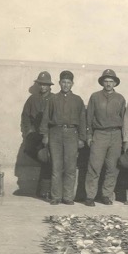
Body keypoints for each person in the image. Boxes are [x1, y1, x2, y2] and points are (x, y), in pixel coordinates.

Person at [40, 70, 86, 205]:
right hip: (55, 133)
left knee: (70, 168)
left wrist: (81, 138)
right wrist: (45, 135)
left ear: (72, 84)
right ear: (59, 83)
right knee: (56, 167)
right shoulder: (52, 99)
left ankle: (68, 197)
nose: (66, 85)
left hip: (72, 134)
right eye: (63, 82)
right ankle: (56, 196)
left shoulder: (78, 100)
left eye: (68, 82)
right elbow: (46, 118)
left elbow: (82, 120)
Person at [84, 69, 126, 206]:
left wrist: (123, 139)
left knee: (112, 167)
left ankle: (106, 195)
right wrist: (89, 135)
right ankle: (90, 196)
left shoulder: (120, 98)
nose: (108, 84)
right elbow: (89, 118)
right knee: (94, 166)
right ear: (102, 82)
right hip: (99, 134)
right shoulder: (95, 97)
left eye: (111, 81)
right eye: (106, 81)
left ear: (115, 83)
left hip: (115, 135)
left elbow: (124, 120)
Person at [21, 71, 54, 199]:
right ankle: (43, 190)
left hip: (49, 135)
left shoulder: (54, 98)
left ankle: (44, 190)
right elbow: (25, 117)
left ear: (50, 86)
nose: (43, 87)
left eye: (45, 84)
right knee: (42, 158)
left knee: (47, 160)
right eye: (41, 84)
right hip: (35, 135)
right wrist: (28, 132)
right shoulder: (32, 99)